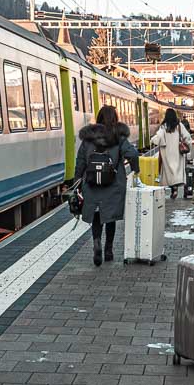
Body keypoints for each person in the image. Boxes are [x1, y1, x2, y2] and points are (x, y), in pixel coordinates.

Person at [75, 105, 140, 266]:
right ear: (114, 118)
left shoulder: (88, 138)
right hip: (113, 185)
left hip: (91, 184)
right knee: (110, 217)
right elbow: (132, 154)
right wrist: (136, 170)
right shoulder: (119, 137)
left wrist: (77, 180)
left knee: (97, 216)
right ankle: (108, 249)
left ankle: (96, 242)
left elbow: (81, 161)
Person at [151, 108, 192, 199]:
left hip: (167, 152)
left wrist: (152, 140)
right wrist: (187, 144)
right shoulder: (179, 126)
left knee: (168, 171)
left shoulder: (164, 126)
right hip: (177, 152)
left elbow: (159, 138)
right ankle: (175, 187)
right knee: (176, 170)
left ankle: (173, 188)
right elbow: (187, 137)